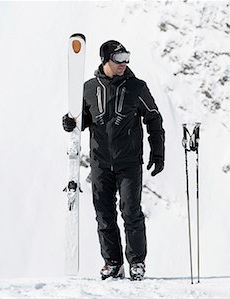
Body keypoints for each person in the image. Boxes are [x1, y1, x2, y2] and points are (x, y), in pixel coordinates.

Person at [62, 40, 165, 281]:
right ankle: (113, 263)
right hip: (100, 163)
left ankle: (137, 263)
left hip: (129, 163)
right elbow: (83, 119)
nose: (124, 63)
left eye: (127, 57)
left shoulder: (137, 87)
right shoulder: (87, 89)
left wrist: (158, 152)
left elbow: (154, 119)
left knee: (131, 212)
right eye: (119, 58)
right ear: (105, 60)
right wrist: (69, 122)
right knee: (104, 215)